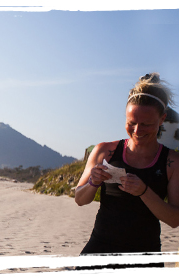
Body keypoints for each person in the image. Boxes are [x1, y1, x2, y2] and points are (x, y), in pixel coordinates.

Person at [75, 73, 179, 268]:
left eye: (146, 124)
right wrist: (93, 182)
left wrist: (144, 192)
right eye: (131, 123)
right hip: (98, 255)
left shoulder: (172, 162)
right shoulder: (104, 150)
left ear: (162, 119)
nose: (137, 131)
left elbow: (174, 220)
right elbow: (80, 199)